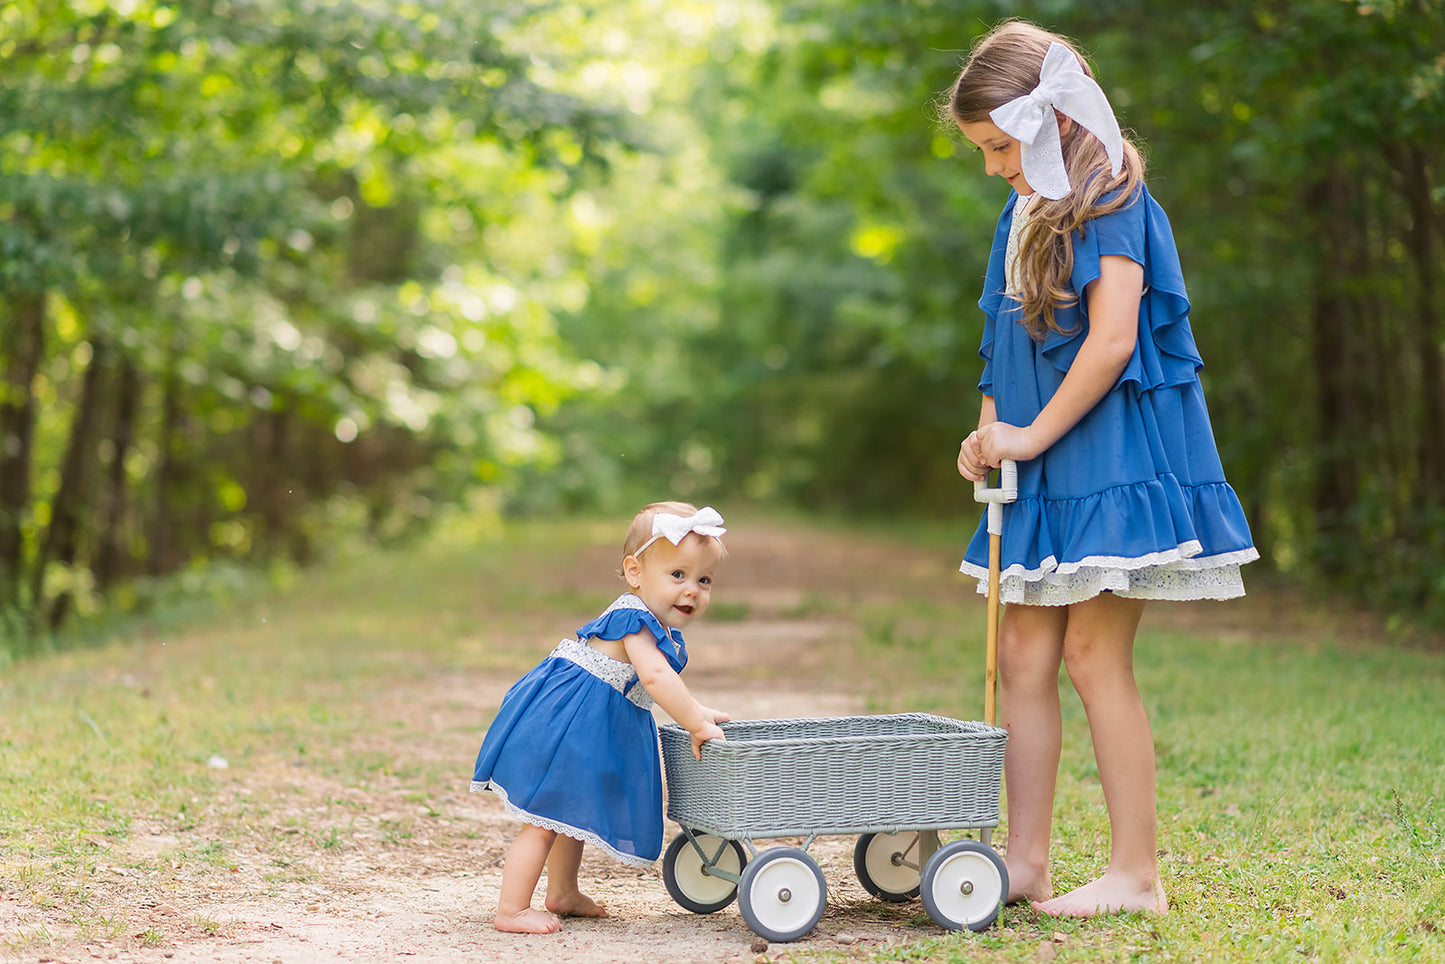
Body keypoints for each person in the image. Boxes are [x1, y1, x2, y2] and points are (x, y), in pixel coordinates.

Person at [945, 21, 1258, 917]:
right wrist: (988, 433)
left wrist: (1031, 435)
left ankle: (1135, 874)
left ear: (1050, 122)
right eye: (982, 150)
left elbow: (1114, 338)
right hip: (1042, 457)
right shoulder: (1020, 207)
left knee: (1091, 655)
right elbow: (1002, 338)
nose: (993, 166)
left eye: (1000, 146)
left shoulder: (1108, 192)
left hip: (1110, 453)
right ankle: (1024, 861)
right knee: (1020, 654)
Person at [470, 502, 732, 933]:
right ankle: (512, 909)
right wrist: (696, 724)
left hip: (586, 726)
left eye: (704, 580)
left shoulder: (652, 623)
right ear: (635, 572)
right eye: (678, 575)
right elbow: (655, 677)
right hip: (568, 725)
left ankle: (563, 892)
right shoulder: (633, 618)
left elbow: (658, 682)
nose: (692, 590)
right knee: (541, 821)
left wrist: (697, 709)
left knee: (568, 813)